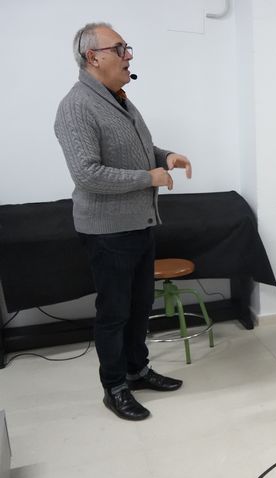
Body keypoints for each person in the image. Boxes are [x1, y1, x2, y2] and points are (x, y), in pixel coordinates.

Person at [54, 23, 191, 421]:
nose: (128, 55)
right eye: (119, 48)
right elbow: (88, 174)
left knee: (139, 306)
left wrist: (165, 157)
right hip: (108, 232)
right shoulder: (77, 106)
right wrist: (148, 178)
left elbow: (138, 149)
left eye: (127, 48)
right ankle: (114, 388)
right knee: (114, 313)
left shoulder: (118, 99)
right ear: (93, 57)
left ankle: (137, 370)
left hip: (139, 223)